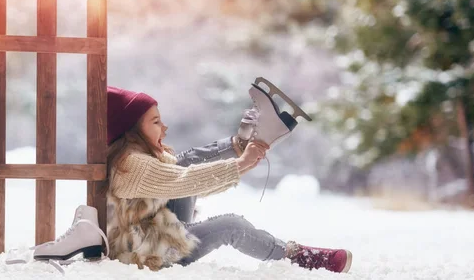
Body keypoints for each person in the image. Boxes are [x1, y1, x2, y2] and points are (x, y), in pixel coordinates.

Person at [105, 86, 353, 273]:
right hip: (149, 253)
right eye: (156, 122)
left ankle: (243, 141)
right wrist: (241, 164)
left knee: (184, 161)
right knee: (231, 226)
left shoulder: (137, 155)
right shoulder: (132, 165)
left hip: (156, 230)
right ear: (131, 129)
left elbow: (190, 179)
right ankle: (299, 257)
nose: (165, 127)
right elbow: (185, 181)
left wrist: (241, 156)